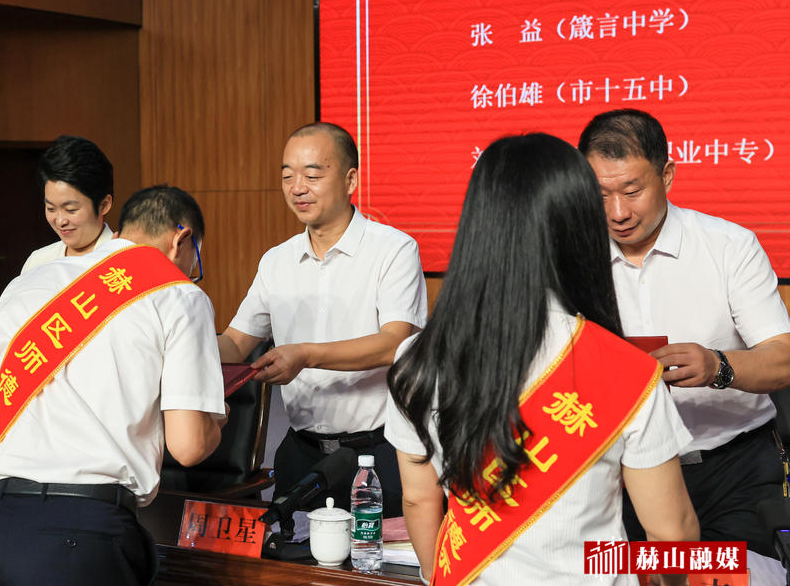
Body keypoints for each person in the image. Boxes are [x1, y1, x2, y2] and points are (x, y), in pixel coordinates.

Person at [385, 133, 698, 585]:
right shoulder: (625, 369)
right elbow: (671, 534)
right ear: (579, 229)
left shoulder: (416, 358)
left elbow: (418, 499)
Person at [0, 185, 226, 585]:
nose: (191, 272)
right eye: (196, 261)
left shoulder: (25, 285)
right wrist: (214, 423)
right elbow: (188, 446)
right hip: (83, 533)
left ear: (119, 233)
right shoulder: (179, 295)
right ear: (181, 240)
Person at [579, 109, 790, 561]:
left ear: (667, 175)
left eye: (632, 191)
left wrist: (719, 366)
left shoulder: (729, 246)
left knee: (731, 576)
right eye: (601, 194)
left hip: (732, 472)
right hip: (614, 478)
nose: (618, 213)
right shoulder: (572, 258)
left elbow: (783, 358)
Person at [218, 122, 427, 517]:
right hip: (302, 456)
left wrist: (305, 355)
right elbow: (234, 345)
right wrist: (174, 339)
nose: (297, 187)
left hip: (378, 454)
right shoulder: (276, 261)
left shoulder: (393, 250)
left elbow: (395, 344)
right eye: (287, 176)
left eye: (312, 175)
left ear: (351, 180)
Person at [20, 136, 116, 274]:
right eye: (51, 209)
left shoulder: (124, 262)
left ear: (104, 205)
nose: (60, 221)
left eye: (71, 209)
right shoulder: (38, 262)